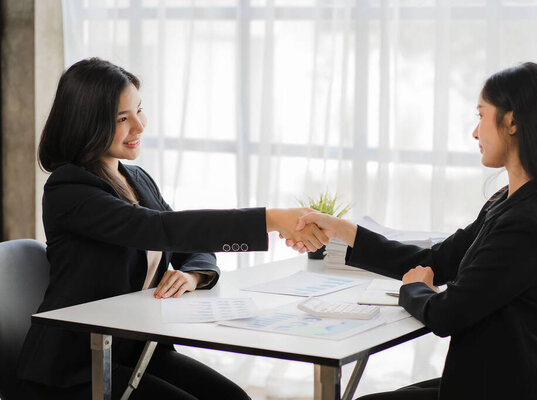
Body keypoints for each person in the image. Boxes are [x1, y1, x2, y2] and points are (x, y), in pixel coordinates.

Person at [17, 57, 327, 399]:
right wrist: (268, 219)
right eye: (122, 118)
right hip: (75, 367)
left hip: (137, 349)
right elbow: (157, 229)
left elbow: (190, 245)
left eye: (139, 110)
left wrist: (193, 275)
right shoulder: (69, 189)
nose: (139, 126)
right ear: (87, 124)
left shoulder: (135, 179)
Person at [292, 62, 537, 400]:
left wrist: (414, 290)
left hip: (502, 387)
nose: (475, 133)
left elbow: (448, 314)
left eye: (481, 116)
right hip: (499, 378)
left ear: (512, 121)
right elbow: (436, 259)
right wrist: (345, 232)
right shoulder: (509, 202)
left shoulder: (526, 223)